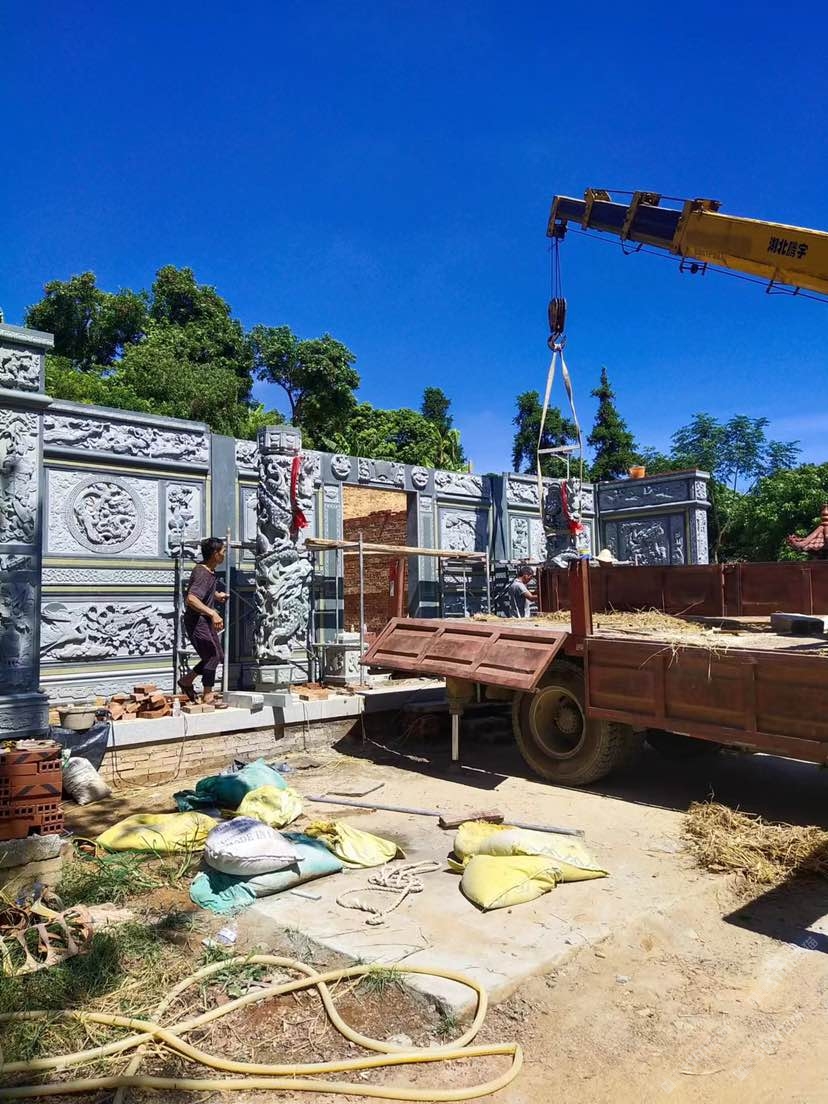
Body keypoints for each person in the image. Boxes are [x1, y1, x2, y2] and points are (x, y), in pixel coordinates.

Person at [180, 537, 227, 704]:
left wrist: (216, 596)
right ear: (215, 554)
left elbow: (202, 591)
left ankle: (187, 681)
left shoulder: (208, 571)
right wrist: (213, 613)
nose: (224, 554)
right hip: (197, 621)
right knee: (212, 656)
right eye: (223, 551)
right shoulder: (202, 572)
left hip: (203, 620)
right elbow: (192, 599)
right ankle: (208, 696)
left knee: (217, 656)